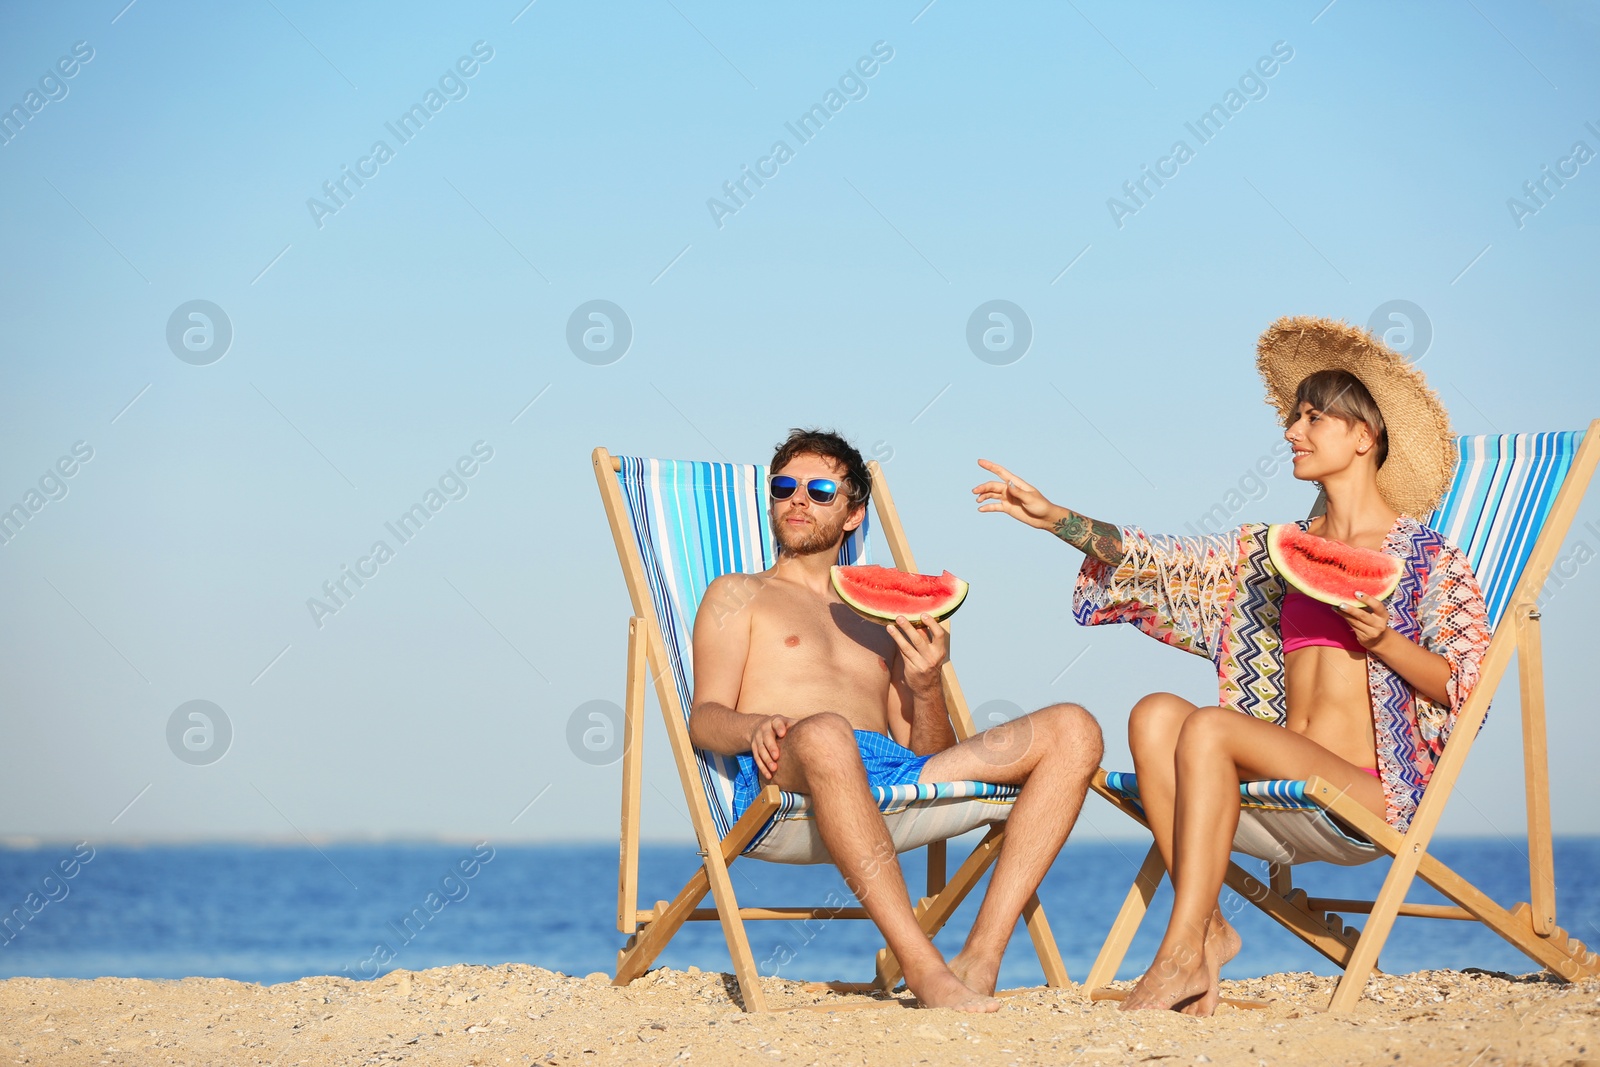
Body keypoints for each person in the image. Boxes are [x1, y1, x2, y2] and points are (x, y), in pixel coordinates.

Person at [972, 316, 1490, 1016]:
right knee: (1155, 714)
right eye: (1294, 417)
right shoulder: (1270, 556)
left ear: (1364, 436)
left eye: (1313, 418)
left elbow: (1470, 687)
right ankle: (1208, 926)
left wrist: (1385, 642)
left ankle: (1181, 949)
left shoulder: (1428, 561)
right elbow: (1163, 560)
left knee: (1210, 729)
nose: (1292, 433)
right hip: (1274, 778)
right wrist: (1056, 517)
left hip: (1365, 798)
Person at [690, 428, 1104, 1013]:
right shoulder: (738, 594)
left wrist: (926, 684)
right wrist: (753, 726)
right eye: (784, 487)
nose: (797, 500)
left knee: (1076, 728)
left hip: (888, 772)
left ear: (854, 513)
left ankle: (980, 958)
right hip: (791, 762)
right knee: (829, 729)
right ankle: (924, 968)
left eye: (819, 490)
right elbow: (703, 718)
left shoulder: (879, 611)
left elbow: (925, 752)